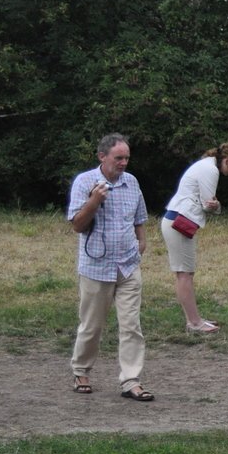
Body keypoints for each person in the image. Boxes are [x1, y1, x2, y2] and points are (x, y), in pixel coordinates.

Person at [68, 133, 152, 401]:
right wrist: (94, 201)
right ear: (102, 157)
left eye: (127, 157)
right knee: (92, 325)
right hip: (96, 267)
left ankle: (131, 380)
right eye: (119, 158)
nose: (124, 163)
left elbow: (139, 217)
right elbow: (77, 225)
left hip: (128, 265)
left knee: (131, 326)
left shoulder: (132, 182)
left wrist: (142, 241)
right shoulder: (84, 182)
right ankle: (81, 370)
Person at [160, 142, 228, 333]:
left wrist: (214, 206)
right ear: (227, 160)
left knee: (186, 273)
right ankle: (194, 323)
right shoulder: (211, 170)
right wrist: (216, 206)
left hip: (177, 220)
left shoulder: (205, 165)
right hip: (178, 223)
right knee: (184, 274)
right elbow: (209, 204)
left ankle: (194, 319)